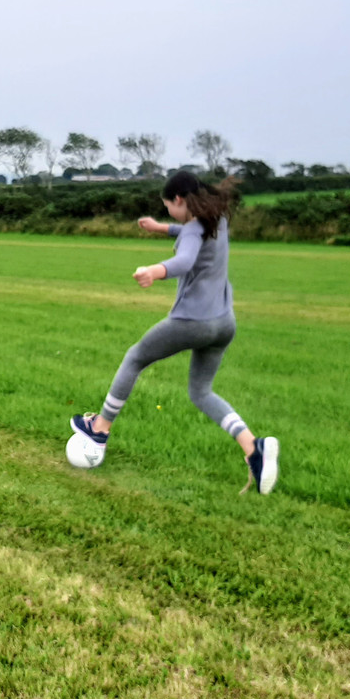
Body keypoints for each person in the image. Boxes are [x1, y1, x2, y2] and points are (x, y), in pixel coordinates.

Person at [70, 170, 279, 494]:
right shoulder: (217, 218)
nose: (168, 211)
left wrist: (154, 270)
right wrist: (161, 227)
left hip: (193, 322)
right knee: (201, 392)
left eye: (168, 206)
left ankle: (99, 428)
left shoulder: (194, 230)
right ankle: (255, 449)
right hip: (224, 323)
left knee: (135, 357)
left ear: (179, 200)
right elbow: (189, 233)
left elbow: (184, 258)